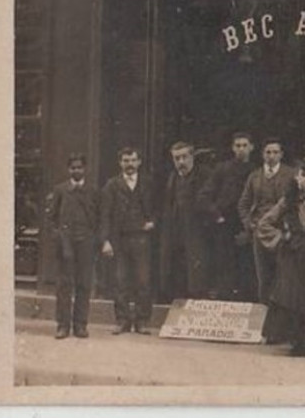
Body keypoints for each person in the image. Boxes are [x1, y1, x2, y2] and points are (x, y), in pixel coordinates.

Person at [257, 160, 305, 354]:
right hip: (292, 253)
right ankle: (289, 338)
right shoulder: (287, 200)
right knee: (290, 293)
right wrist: (282, 237)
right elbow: (265, 223)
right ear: (297, 177)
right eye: (303, 175)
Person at [100, 146, 155, 335]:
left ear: (139, 162)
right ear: (120, 163)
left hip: (142, 238)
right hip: (119, 239)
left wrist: (153, 222)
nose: (129, 164)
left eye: (132, 160)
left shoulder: (148, 183)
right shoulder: (111, 185)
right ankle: (123, 321)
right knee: (121, 280)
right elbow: (104, 214)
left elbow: (160, 207)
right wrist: (105, 240)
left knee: (143, 280)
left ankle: (141, 321)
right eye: (125, 161)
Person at [46, 153, 99, 339]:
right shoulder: (60, 190)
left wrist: (94, 240)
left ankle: (80, 325)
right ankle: (63, 325)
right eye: (73, 167)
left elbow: (98, 218)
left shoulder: (93, 191)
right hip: (66, 245)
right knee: (64, 285)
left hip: (86, 243)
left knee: (84, 285)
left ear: (85, 169)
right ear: (68, 170)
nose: (76, 170)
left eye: (79, 167)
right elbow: (51, 218)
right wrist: (58, 237)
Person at [198, 132, 256, 300]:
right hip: (224, 225)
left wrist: (249, 225)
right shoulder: (222, 169)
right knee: (224, 265)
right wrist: (217, 216)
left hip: (247, 225)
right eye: (238, 146)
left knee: (247, 266)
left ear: (252, 147)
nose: (241, 149)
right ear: (232, 148)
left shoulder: (256, 171)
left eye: (245, 145)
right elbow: (203, 196)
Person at [238, 138, 295, 304]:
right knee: (263, 274)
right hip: (260, 231)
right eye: (268, 152)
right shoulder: (255, 176)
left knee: (283, 272)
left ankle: (280, 315)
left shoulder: (291, 174)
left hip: (282, 231)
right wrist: (249, 224)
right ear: (262, 154)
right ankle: (263, 309)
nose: (271, 156)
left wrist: (289, 226)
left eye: (275, 152)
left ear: (281, 154)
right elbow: (243, 203)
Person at [159, 141, 210, 301]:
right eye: (177, 158)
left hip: (198, 233)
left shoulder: (204, 175)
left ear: (192, 157)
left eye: (184, 157)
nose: (181, 162)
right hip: (176, 233)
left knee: (197, 275)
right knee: (177, 271)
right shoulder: (172, 178)